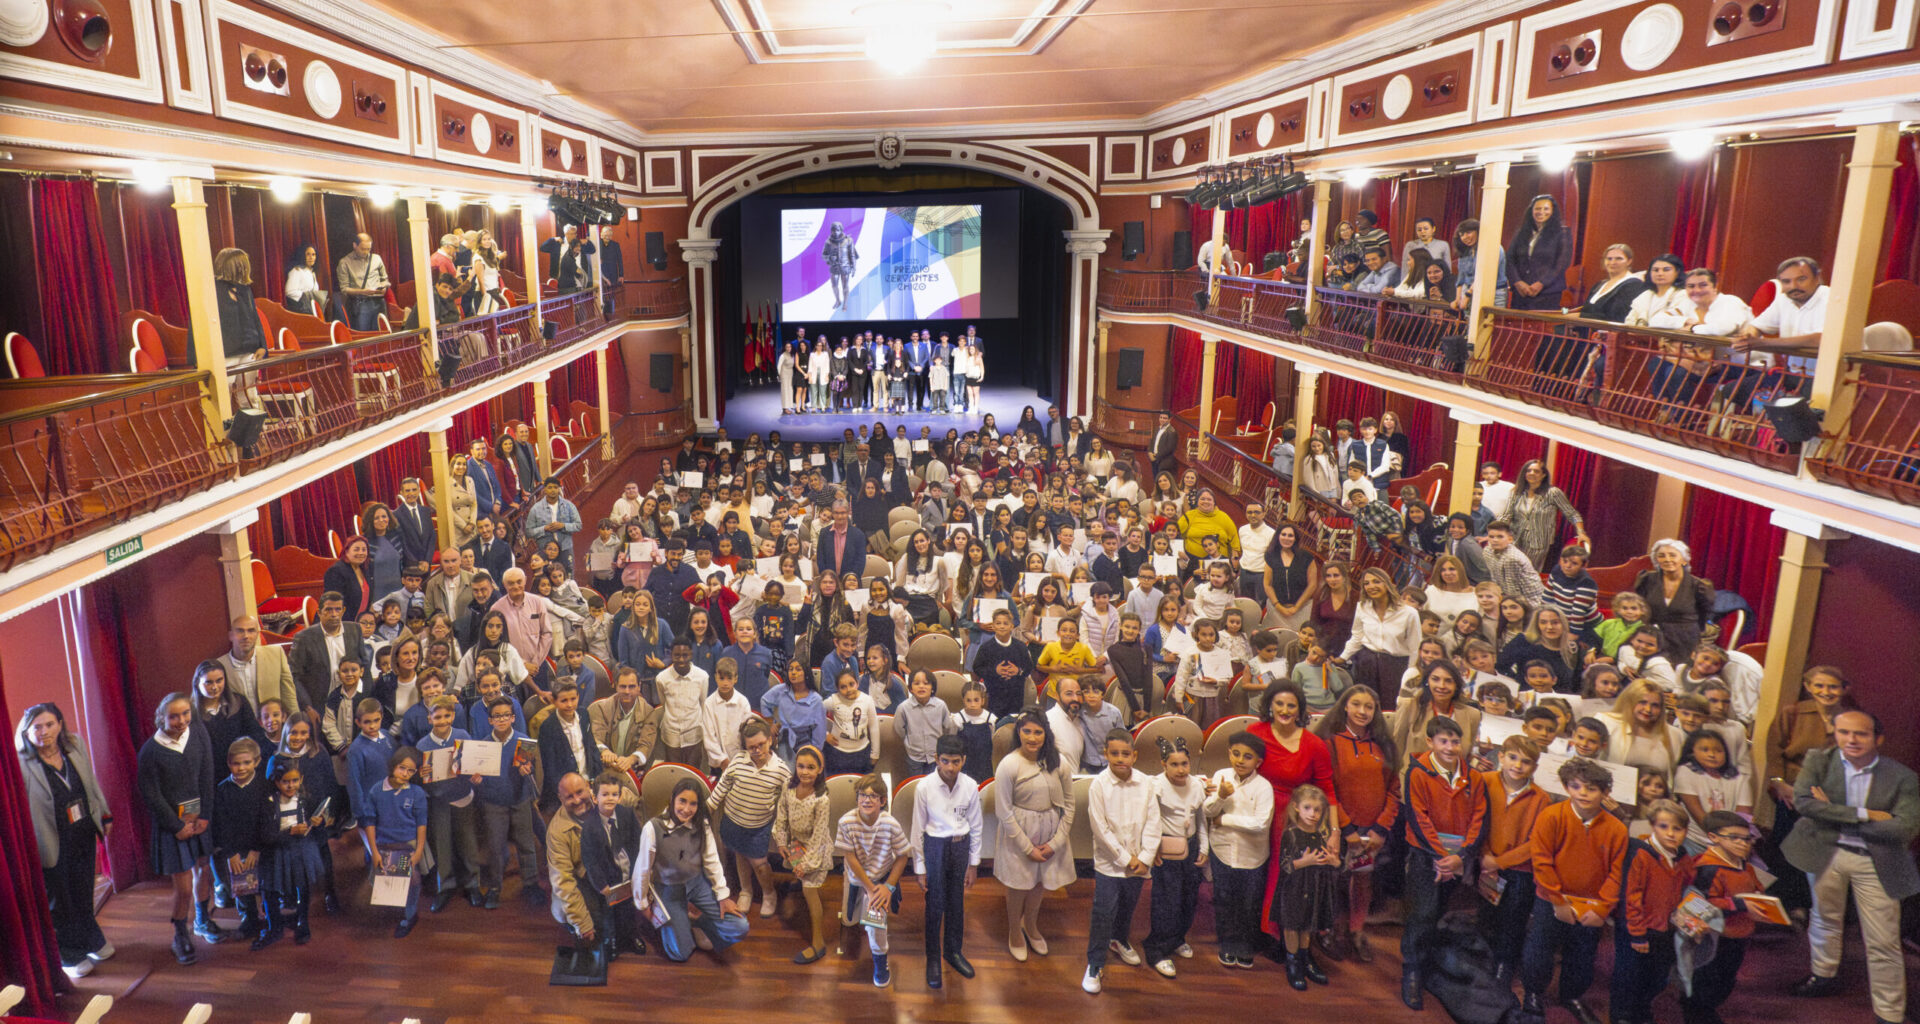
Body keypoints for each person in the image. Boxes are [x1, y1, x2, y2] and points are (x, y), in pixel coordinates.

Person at [1782, 709, 1920, 1024]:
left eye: (1861, 733)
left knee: (1883, 940)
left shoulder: (1903, 777)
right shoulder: (1819, 760)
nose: (1851, 740)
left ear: (1878, 738)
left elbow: (1905, 828)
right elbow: (1804, 803)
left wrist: (1830, 810)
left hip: (1876, 860)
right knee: (1824, 917)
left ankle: (1889, 1013)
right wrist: (1865, 814)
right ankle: (1823, 975)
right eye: (1844, 732)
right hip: (1825, 852)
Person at [1521, 757, 1628, 1024]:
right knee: (1539, 948)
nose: (1583, 793)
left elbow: (1617, 872)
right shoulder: (1551, 816)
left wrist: (1603, 908)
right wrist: (1557, 902)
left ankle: (1572, 996)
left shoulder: (1616, 828)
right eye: (1576, 786)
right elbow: (1541, 861)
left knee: (1582, 955)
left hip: (1591, 904)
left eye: (1591, 788)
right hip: (1551, 900)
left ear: (1605, 793)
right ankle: (1533, 993)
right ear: (1567, 787)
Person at [17, 702, 114, 977]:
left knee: (83, 889)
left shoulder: (74, 746)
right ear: (26, 731)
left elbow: (90, 783)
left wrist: (104, 814)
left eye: (49, 724)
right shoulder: (21, 762)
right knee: (60, 899)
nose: (44, 732)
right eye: (37, 727)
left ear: (60, 724)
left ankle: (91, 939)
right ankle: (69, 954)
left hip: (82, 831)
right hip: (50, 839)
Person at [1399, 715, 1486, 1010]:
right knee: (1421, 912)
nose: (1450, 747)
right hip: (1427, 856)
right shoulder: (1418, 772)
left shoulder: (1473, 777)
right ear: (1430, 742)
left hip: (1457, 859)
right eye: (1443, 741)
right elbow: (1417, 816)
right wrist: (1440, 856)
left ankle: (1429, 961)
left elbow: (1479, 818)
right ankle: (1411, 967)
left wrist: (1460, 857)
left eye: (1455, 741)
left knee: (1440, 911)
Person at [138, 692, 224, 963]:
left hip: (199, 822)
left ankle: (201, 920)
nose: (181, 720)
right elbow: (151, 795)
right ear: (161, 718)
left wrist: (205, 817)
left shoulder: (198, 733)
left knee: (204, 870)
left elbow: (208, 775)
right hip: (172, 828)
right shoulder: (150, 751)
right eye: (174, 716)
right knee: (184, 887)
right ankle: (180, 934)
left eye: (185, 713)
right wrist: (176, 826)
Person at [994, 707, 1076, 962]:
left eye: (1038, 732)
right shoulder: (1009, 764)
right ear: (1018, 732)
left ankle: (1030, 925)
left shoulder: (1058, 761)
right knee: (1019, 885)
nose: (1032, 738)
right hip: (1019, 832)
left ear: (1046, 734)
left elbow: (1070, 804)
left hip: (1050, 830)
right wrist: (1027, 847)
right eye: (1026, 731)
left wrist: (1056, 842)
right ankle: (1013, 931)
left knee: (1039, 883)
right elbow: (1004, 811)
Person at [638, 777, 751, 961]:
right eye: (682, 801)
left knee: (740, 926)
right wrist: (642, 903)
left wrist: (723, 896)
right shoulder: (653, 828)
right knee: (679, 954)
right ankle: (679, 920)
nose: (686, 809)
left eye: (693, 804)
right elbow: (642, 869)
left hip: (696, 884)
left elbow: (712, 860)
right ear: (673, 798)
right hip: (668, 889)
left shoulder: (701, 825)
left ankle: (696, 922)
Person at [1080, 729, 1155, 995]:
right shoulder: (1099, 785)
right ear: (1105, 754)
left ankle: (1119, 939)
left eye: (1126, 753)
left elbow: (1153, 824)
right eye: (1114, 753)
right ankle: (1095, 962)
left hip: (1139, 863)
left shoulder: (1147, 783)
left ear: (1134, 755)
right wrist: (1125, 858)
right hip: (1110, 864)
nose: (1120, 759)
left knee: (1128, 906)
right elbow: (1100, 829)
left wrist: (1144, 857)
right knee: (1103, 912)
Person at [1685, 810, 1765, 1024]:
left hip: (1739, 932)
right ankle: (1697, 1013)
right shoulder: (1707, 868)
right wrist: (1739, 904)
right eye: (1734, 838)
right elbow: (1699, 904)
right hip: (1714, 934)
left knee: (1726, 978)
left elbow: (1756, 888)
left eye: (1747, 838)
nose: (1743, 844)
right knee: (1706, 977)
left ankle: (1706, 1008)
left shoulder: (1745, 866)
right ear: (1713, 837)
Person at [1204, 730, 1273, 969]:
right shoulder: (1222, 776)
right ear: (1228, 753)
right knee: (1224, 899)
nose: (1240, 760)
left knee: (1249, 902)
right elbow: (1208, 812)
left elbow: (1260, 823)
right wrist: (1220, 797)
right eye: (1235, 754)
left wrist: (1225, 820)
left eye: (1247, 756)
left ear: (1258, 762)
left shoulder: (1263, 787)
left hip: (1252, 856)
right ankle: (1227, 943)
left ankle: (1245, 945)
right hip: (1222, 850)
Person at [1274, 783, 1341, 990]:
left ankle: (1305, 958)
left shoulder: (1321, 835)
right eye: (1307, 808)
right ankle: (1292, 961)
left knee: (1307, 925)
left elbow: (1334, 864)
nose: (1312, 814)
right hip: (1294, 889)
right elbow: (1285, 865)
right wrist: (1305, 862)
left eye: (1317, 809)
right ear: (1296, 807)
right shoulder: (1292, 834)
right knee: (1293, 925)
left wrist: (1334, 862)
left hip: (1314, 887)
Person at [773, 745, 833, 965]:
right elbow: (782, 816)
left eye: (811, 767)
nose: (805, 772)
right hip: (797, 845)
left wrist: (806, 865)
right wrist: (781, 841)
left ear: (820, 769)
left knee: (810, 891)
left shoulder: (821, 799)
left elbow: (818, 837)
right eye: (801, 766)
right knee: (803, 885)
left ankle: (818, 943)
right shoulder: (788, 790)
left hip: (815, 850)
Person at [1633, 538, 1717, 662]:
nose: (1667, 559)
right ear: (1657, 560)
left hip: (1685, 639)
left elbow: (1705, 614)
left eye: (1673, 555)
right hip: (1652, 638)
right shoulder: (1646, 579)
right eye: (1661, 556)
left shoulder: (1699, 586)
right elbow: (1640, 608)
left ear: (1683, 560)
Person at [1502, 458, 1589, 568]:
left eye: (1536, 471)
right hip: (1515, 539)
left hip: (1537, 543)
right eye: (1528, 470)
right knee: (1510, 569)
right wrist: (1495, 531)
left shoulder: (1553, 493)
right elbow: (1506, 515)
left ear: (1543, 475)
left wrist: (1581, 531)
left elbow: (1572, 514)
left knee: (1527, 572)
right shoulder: (1516, 491)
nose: (1532, 473)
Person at [1506, 194, 1571, 311]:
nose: (1541, 212)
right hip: (1521, 291)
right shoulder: (1521, 232)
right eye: (1537, 208)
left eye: (1546, 209)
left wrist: (1541, 283)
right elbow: (1510, 259)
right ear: (1531, 210)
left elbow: (1562, 263)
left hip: (1548, 292)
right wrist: (1517, 282)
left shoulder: (1562, 233)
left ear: (1553, 211)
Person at [1649, 267, 1754, 337]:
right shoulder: (1688, 303)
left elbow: (1722, 329)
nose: (1697, 290)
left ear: (1715, 286)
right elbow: (1655, 321)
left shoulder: (1731, 302)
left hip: (1743, 365)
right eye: (1691, 286)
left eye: (1703, 285)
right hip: (1707, 363)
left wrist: (1692, 328)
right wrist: (1686, 321)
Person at [336, 233, 390, 332]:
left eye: (368, 249)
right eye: (363, 249)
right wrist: (362, 291)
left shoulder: (376, 258)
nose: (366, 252)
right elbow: (344, 289)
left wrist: (384, 288)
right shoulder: (345, 262)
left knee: (382, 333)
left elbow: (385, 279)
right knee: (363, 336)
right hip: (361, 304)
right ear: (354, 245)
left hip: (379, 302)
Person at [539, 224, 596, 294]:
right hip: (562, 279)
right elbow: (542, 248)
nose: (574, 236)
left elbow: (592, 250)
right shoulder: (558, 243)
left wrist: (587, 241)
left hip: (579, 278)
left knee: (580, 301)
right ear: (566, 234)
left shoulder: (578, 243)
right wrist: (553, 239)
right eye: (571, 234)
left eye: (575, 234)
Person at [1148, 412, 1177, 482]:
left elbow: (1169, 448)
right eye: (1161, 417)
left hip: (1164, 462)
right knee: (1156, 480)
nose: (1162, 420)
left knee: (1162, 481)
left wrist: (1156, 456)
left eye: (1165, 418)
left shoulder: (1172, 432)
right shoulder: (1157, 429)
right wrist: (1149, 452)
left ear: (1169, 420)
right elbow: (1152, 442)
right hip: (1155, 460)